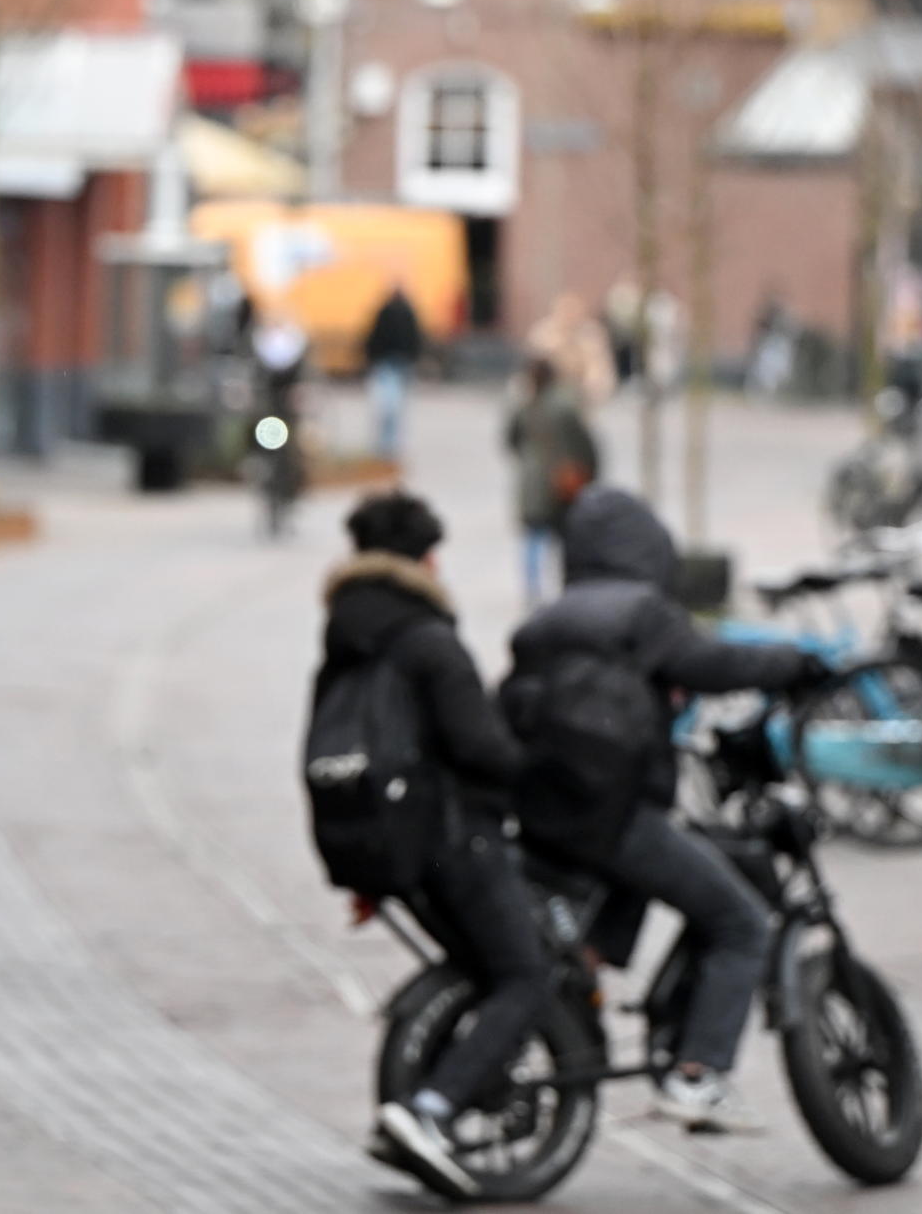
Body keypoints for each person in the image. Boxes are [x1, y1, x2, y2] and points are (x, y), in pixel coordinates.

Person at [504, 485, 829, 1133]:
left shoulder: (549, 619)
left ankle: (587, 973)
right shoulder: (641, 612)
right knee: (742, 923)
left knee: (646, 881)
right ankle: (698, 1074)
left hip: (552, 812)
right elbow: (710, 662)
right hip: (617, 811)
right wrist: (796, 662)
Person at [314, 490, 546, 1199]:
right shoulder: (428, 640)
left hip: (386, 844)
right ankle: (432, 1109)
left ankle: (417, 1100)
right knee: (525, 975)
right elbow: (480, 747)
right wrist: (535, 767)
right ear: (421, 561)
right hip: (453, 839)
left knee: (481, 963)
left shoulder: (345, 640)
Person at [504, 353, 600, 607]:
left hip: (531, 481)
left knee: (533, 536)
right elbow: (585, 445)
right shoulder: (565, 406)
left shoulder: (524, 405)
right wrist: (590, 472)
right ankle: (567, 585)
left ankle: (532, 589)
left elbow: (510, 439)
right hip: (562, 481)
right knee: (565, 536)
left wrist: (528, 460)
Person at [363, 281, 426, 462]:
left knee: (388, 406)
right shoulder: (406, 312)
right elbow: (415, 339)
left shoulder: (388, 312)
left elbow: (375, 337)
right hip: (398, 363)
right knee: (393, 407)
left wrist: (372, 357)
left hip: (390, 363)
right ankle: (389, 445)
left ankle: (387, 445)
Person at [526, 293, 616, 411]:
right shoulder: (543, 332)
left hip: (580, 390)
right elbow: (534, 367)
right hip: (549, 388)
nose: (569, 316)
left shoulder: (591, 333)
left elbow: (599, 367)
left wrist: (590, 387)